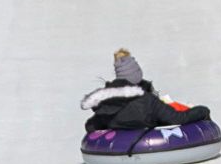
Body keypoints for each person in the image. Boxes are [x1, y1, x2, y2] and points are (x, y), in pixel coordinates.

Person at [83, 49, 212, 137]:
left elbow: (91, 126)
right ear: (136, 76)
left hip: (117, 150)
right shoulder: (147, 100)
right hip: (146, 144)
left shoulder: (106, 101)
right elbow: (177, 118)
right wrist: (202, 110)